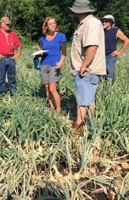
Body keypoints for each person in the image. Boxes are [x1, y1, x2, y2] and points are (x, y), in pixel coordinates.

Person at [69, 0, 106, 136]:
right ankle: (91, 125)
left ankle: (78, 126)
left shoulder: (91, 24)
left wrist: (84, 66)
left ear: (77, 12)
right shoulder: (84, 24)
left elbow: (92, 46)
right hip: (87, 69)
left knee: (82, 101)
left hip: (87, 70)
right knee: (88, 99)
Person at [37, 17, 67, 113]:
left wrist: (61, 62)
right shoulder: (42, 38)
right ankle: (52, 108)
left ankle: (59, 109)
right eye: (50, 24)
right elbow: (39, 47)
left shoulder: (61, 36)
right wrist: (39, 52)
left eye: (54, 23)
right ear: (46, 26)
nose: (53, 25)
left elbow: (64, 52)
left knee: (52, 88)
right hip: (44, 64)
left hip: (55, 65)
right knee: (47, 88)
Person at [0, 16, 22, 98]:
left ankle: (13, 95)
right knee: (1, 78)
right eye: (6, 24)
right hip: (1, 58)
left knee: (12, 78)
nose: (8, 25)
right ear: (1, 24)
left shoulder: (12, 34)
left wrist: (17, 54)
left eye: (9, 24)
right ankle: (1, 95)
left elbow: (19, 45)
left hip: (11, 58)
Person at [100, 15, 129, 82]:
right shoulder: (100, 31)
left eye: (106, 21)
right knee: (100, 74)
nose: (104, 23)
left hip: (111, 56)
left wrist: (119, 51)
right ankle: (102, 87)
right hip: (100, 56)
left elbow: (127, 40)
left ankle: (109, 88)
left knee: (109, 74)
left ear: (111, 22)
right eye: (103, 21)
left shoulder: (116, 31)